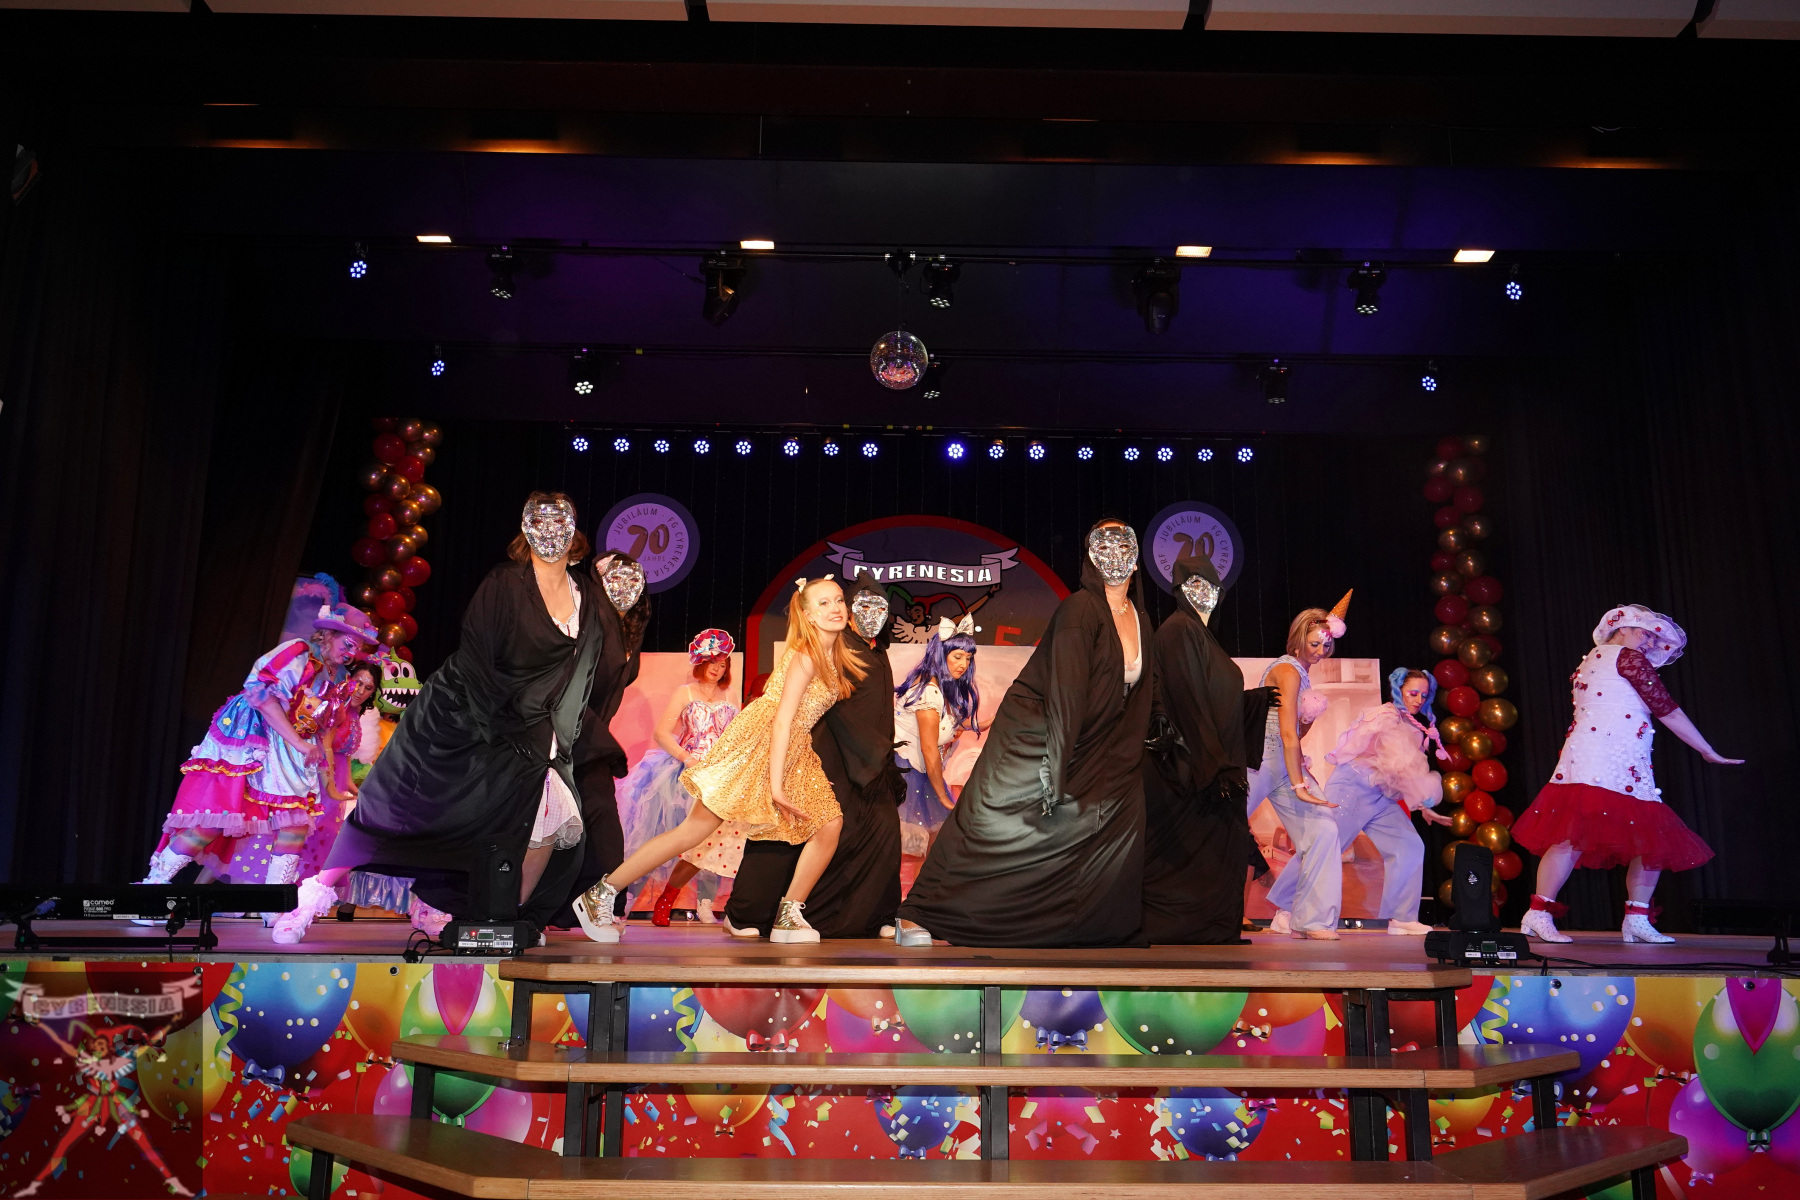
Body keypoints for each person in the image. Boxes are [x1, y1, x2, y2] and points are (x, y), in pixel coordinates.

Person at [272, 492, 613, 944]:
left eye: (559, 523)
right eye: (540, 523)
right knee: (395, 808)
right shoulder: (505, 582)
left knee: (547, 811)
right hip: (461, 715)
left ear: (574, 533)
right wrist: (506, 719)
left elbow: (585, 670)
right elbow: (478, 656)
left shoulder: (585, 595)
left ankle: (510, 919)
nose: (550, 533)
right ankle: (310, 900)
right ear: (526, 529)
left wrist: (560, 731)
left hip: (532, 722)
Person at [894, 518, 1155, 949]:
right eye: (1103, 545)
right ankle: (919, 912)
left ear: (1136, 558)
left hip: (1094, 736)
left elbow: (1144, 690)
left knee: (1103, 824)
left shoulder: (1139, 618)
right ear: (1091, 556)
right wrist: (1056, 764)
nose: (1114, 554)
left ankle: (1082, 925)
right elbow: (1067, 691)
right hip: (1036, 732)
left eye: (1123, 544)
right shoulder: (1079, 609)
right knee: (989, 822)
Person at [573, 576, 852, 945]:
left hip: (792, 748)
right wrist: (777, 785)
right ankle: (600, 893)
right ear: (808, 615)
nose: (835, 608)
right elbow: (782, 720)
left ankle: (788, 913)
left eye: (838, 600)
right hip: (757, 745)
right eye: (823, 603)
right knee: (692, 832)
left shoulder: (833, 656)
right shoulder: (806, 655)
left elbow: (800, 724)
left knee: (830, 823)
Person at [1513, 605, 1742, 944]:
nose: (1649, 641)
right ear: (1622, 629)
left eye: (1652, 637)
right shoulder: (1628, 658)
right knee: (1610, 833)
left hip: (1601, 755)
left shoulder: (1590, 659)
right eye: (1644, 633)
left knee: (1606, 834)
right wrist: (1706, 749)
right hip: (1610, 755)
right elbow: (1666, 708)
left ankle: (1564, 912)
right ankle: (1555, 913)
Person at [139, 604, 376, 892]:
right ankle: (153, 886)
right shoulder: (298, 652)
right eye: (348, 643)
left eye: (357, 648)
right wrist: (299, 743)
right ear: (328, 634)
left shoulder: (335, 676)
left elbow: (322, 727)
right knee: (218, 816)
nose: (351, 653)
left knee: (295, 824)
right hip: (254, 735)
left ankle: (274, 904)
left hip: (289, 747)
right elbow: (261, 694)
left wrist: (325, 774)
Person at [724, 576, 905, 939]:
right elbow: (800, 709)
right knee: (785, 834)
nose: (870, 614)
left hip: (868, 761)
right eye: (862, 605)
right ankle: (746, 913)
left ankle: (873, 916)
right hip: (827, 753)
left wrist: (882, 758)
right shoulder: (831, 646)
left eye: (879, 607)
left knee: (879, 835)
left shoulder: (873, 649)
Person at [1138, 551, 1275, 945]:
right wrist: (1215, 765)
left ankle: (1208, 929)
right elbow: (1188, 702)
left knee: (1220, 850)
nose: (1205, 592)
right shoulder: (1179, 631)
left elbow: (1212, 698)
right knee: (1192, 855)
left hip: (1209, 765)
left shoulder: (1201, 635)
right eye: (1194, 584)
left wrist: (1252, 703)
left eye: (1211, 584)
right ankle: (1179, 930)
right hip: (1193, 772)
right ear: (1179, 589)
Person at [1316, 667, 1454, 936]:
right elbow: (1395, 764)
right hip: (1353, 788)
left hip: (1381, 797)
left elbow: (1401, 773)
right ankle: (1285, 909)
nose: (1418, 700)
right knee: (1325, 848)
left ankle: (1401, 917)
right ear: (1399, 691)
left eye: (1423, 695)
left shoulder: (1412, 727)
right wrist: (1422, 801)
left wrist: (1423, 806)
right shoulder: (1386, 716)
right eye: (1413, 693)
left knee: (1409, 846)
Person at [616, 629, 741, 925]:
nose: (717, 668)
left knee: (716, 841)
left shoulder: (730, 695)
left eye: (722, 664)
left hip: (720, 777)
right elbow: (662, 733)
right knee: (668, 839)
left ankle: (704, 903)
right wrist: (688, 758)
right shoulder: (685, 693)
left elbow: (736, 736)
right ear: (701, 662)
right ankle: (624, 902)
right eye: (712, 662)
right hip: (685, 775)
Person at [1257, 593, 1352, 940]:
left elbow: (1296, 732)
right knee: (1218, 828)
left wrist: (1308, 720)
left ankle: (1311, 920)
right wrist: (1301, 785)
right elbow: (1285, 734)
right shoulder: (1287, 669)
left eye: (1326, 646)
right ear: (1298, 638)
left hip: (1284, 763)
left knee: (1324, 831)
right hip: (1260, 761)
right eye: (1314, 644)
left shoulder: (1302, 674)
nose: (1320, 651)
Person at [12, 1022, 191, 1198]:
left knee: (143, 1142)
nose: (100, 1048)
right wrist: (44, 1027)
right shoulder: (90, 1062)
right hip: (92, 1104)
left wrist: (167, 1028)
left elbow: (144, 1047)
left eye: (103, 1044)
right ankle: (35, 1184)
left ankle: (172, 1181)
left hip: (116, 1103)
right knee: (65, 1143)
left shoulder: (117, 1062)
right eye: (97, 1045)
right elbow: (65, 1045)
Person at [893, 615, 982, 857]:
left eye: (968, 658)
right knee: (911, 846)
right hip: (909, 773)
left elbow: (955, 724)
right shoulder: (929, 691)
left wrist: (995, 719)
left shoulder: (937, 687)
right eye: (957, 656)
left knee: (929, 846)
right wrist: (942, 795)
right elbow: (929, 748)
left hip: (919, 771)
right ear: (941, 655)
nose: (964, 664)